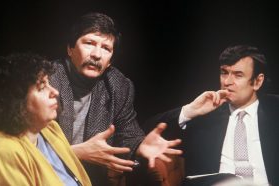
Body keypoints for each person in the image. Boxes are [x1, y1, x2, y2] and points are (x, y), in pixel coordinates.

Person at [49, 12, 182, 185]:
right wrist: (76, 152)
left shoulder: (119, 85)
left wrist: (140, 146)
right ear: (70, 49)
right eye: (89, 43)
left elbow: (128, 133)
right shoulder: (46, 80)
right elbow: (24, 147)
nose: (97, 54)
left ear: (110, 61)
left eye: (106, 48)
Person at [145, 45, 278, 185]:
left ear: (257, 81)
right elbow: (144, 131)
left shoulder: (275, 109)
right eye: (224, 73)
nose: (227, 82)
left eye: (238, 75)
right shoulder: (206, 115)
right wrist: (189, 111)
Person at [0, 53, 91, 186]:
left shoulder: (50, 128)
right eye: (42, 87)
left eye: (49, 83)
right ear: (16, 99)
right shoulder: (2, 151)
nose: (55, 92)